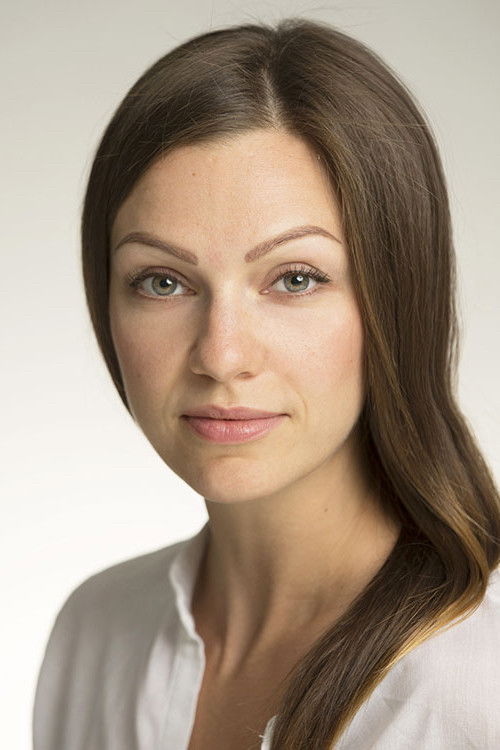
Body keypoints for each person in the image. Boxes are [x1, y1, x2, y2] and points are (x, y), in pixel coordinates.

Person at [33, 16, 500, 750]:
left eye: (295, 278)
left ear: (398, 299)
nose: (221, 356)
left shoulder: (477, 689)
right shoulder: (95, 636)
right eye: (162, 281)